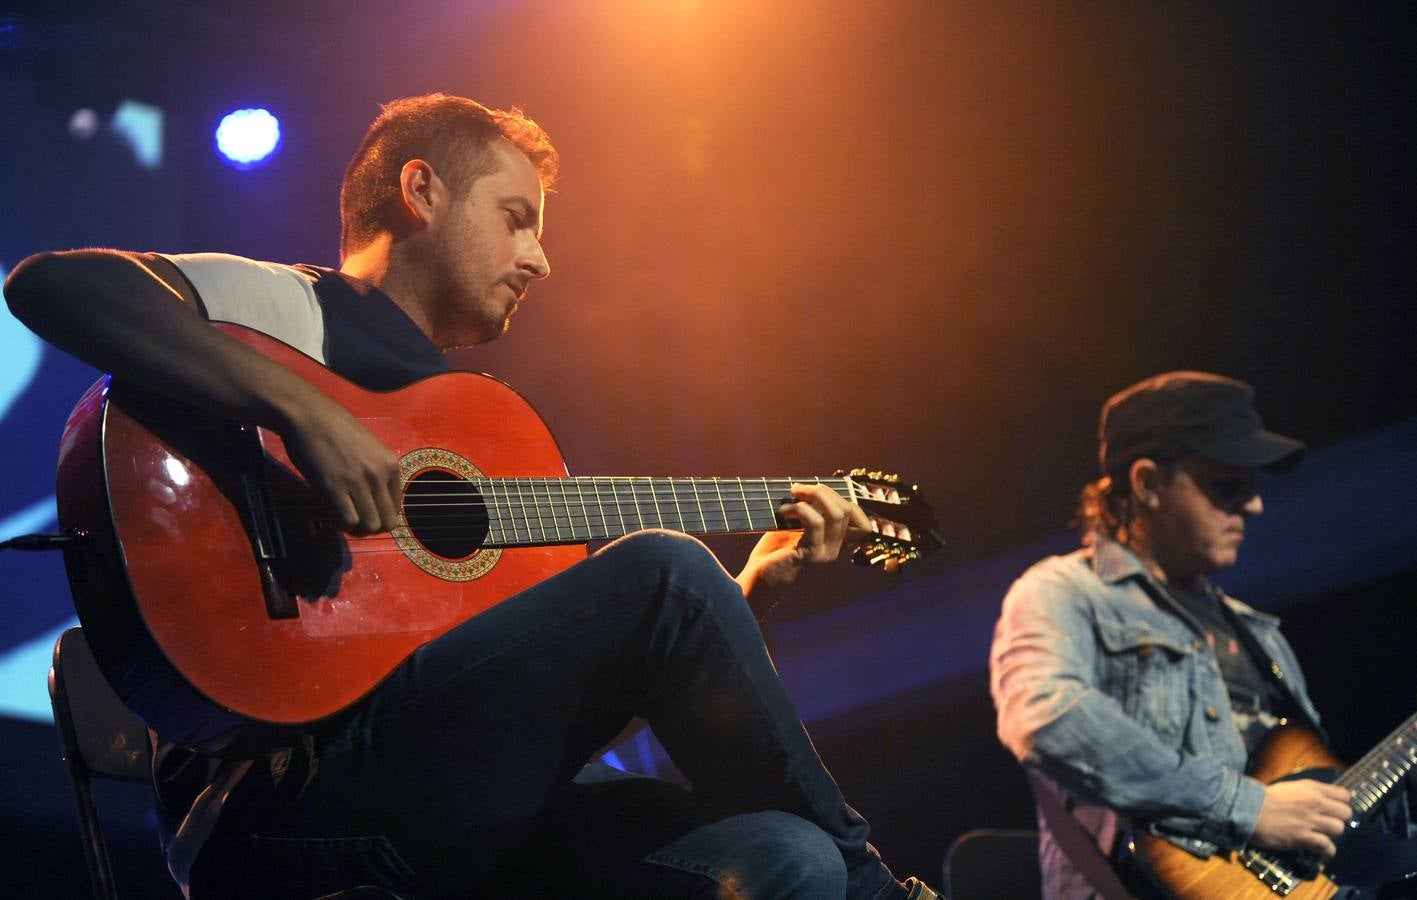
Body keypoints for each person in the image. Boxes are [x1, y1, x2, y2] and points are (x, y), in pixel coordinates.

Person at [5, 94, 939, 899]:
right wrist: (303, 413)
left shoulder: (488, 434)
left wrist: (750, 596)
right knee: (665, 572)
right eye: (516, 217)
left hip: (461, 814)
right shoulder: (291, 311)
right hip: (285, 810)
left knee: (785, 859)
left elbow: (554, 721)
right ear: (421, 192)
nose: (539, 260)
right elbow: (53, 287)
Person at [988, 371, 1414, 898]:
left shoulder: (1257, 630)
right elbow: (1046, 716)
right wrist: (1249, 808)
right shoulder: (1064, 591)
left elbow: (1316, 796)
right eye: (1227, 484)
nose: (1254, 505)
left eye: (1252, 486)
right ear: (1147, 484)